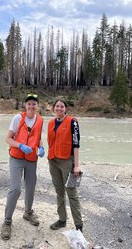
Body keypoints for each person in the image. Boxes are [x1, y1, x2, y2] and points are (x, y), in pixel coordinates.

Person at [0, 93, 45, 240]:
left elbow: (38, 138)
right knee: (15, 189)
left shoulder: (40, 120)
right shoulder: (18, 118)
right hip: (17, 158)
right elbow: (7, 139)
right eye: (29, 103)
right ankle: (7, 221)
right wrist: (20, 145)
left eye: (34, 104)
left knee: (31, 186)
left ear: (37, 106)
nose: (31, 106)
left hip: (32, 159)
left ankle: (28, 212)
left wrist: (42, 147)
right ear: (25, 105)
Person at [47, 99, 83, 232]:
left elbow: (76, 144)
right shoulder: (51, 123)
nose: (59, 109)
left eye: (62, 106)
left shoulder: (72, 122)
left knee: (72, 192)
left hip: (67, 161)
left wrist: (76, 165)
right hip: (53, 160)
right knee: (59, 191)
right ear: (53, 108)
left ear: (65, 108)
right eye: (57, 106)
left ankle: (79, 225)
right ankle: (62, 220)